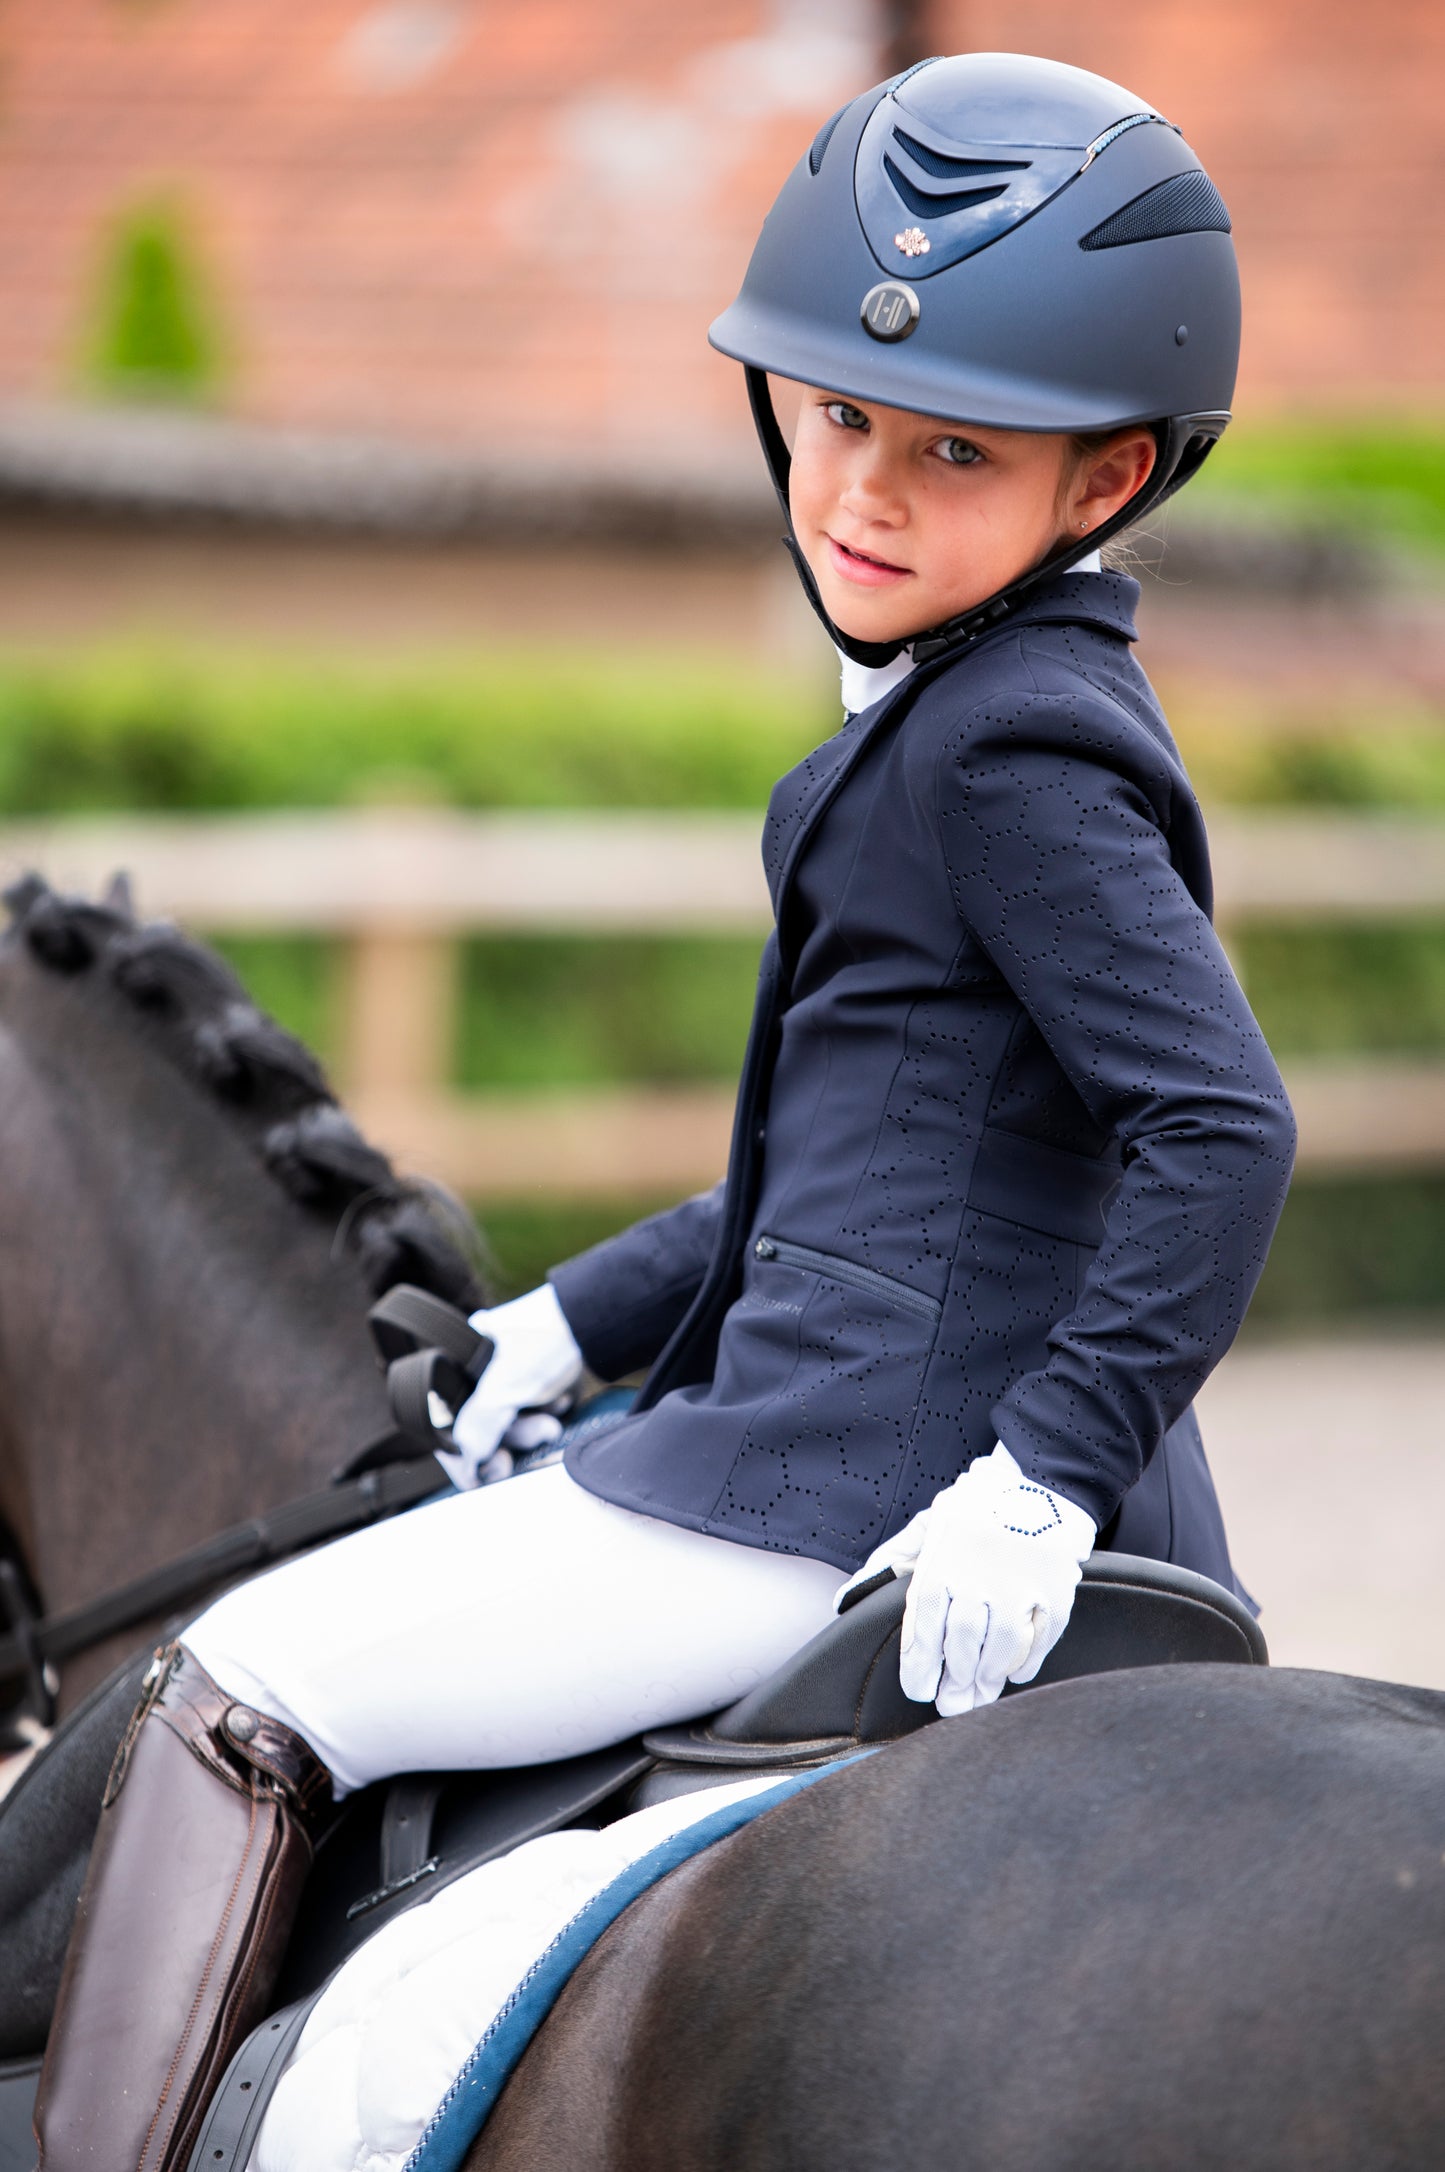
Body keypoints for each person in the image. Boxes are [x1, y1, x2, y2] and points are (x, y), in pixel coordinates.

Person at [35, 51, 1295, 2172]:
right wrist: (572, 1325)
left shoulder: (1009, 758)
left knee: (243, 1688)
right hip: (817, 1423)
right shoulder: (974, 715)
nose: (862, 495)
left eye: (952, 452)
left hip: (833, 1490)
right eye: (833, 419)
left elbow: (1224, 1127)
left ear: (1109, 482)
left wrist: (1043, 1475)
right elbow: (878, 1170)